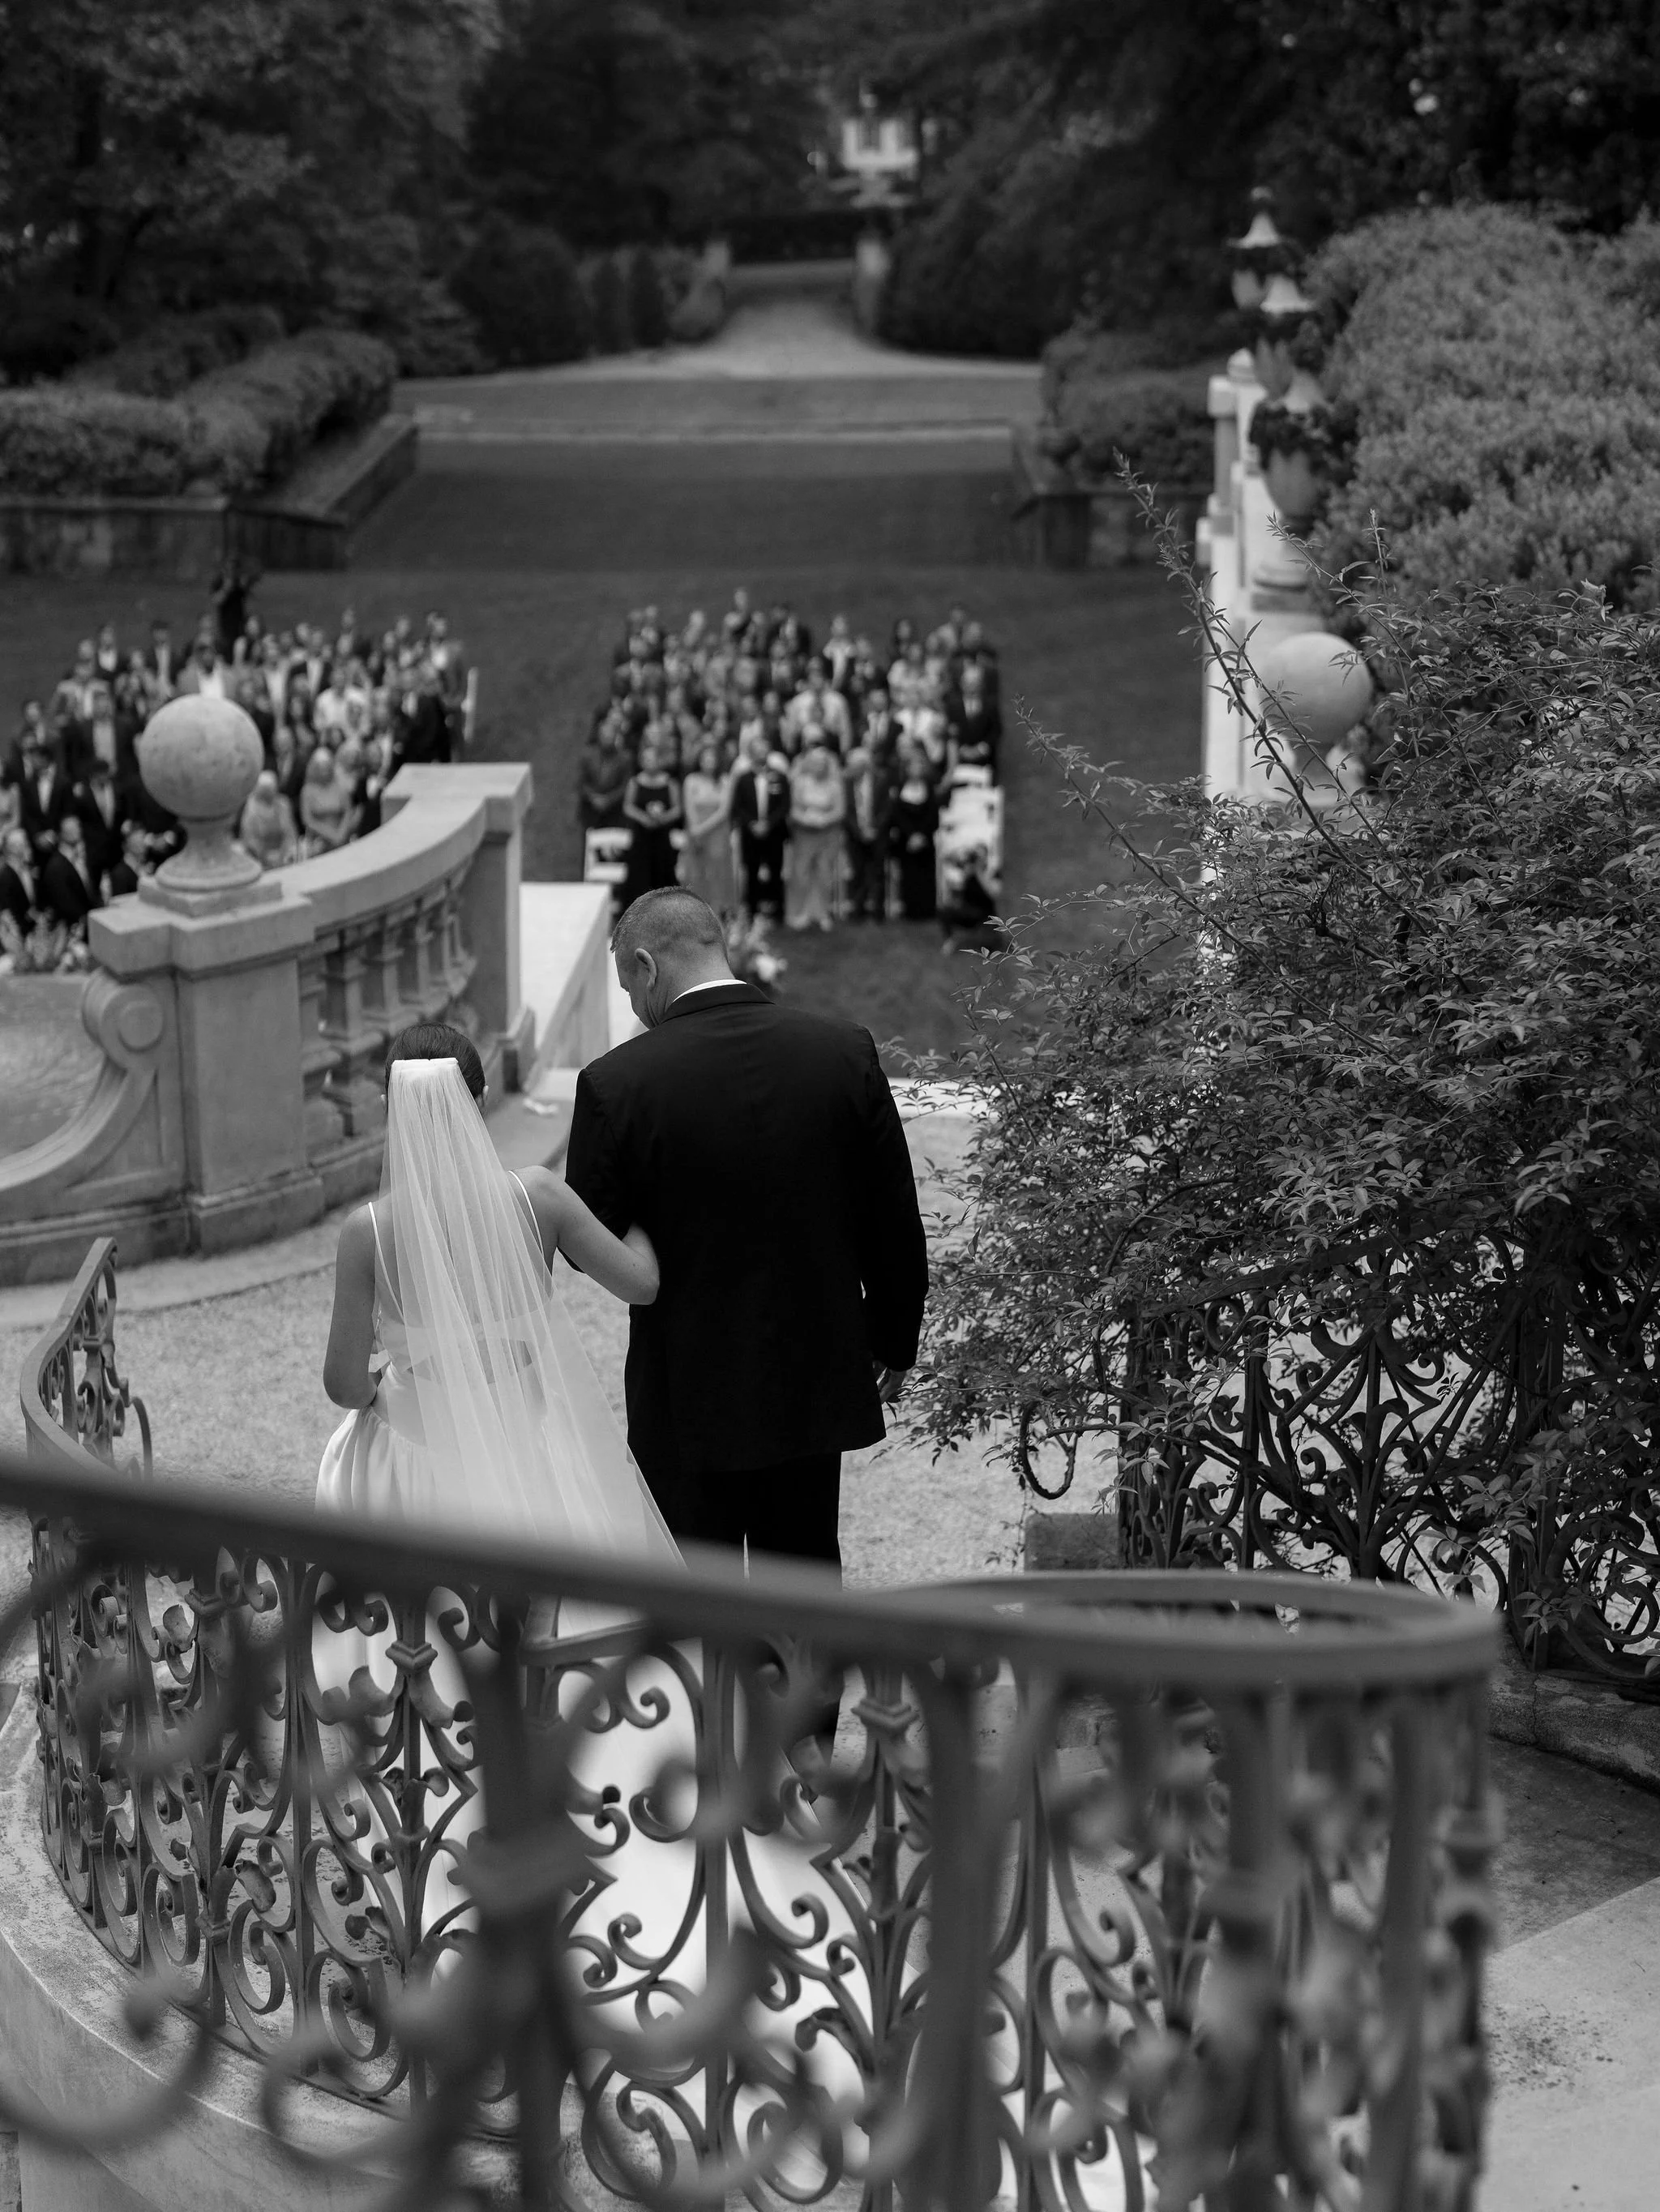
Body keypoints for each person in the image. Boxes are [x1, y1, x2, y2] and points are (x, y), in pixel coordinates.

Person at [564, 888, 928, 1579]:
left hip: (684, 1389)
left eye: (628, 987)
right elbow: (892, 1215)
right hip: (812, 1375)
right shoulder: (842, 1054)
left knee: (697, 1597)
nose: (635, 1007)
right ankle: (804, 1691)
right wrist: (891, 1338)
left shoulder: (617, 1084)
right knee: (803, 1583)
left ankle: (706, 1693)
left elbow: (593, 1239)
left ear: (646, 965)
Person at [319, 1021, 676, 1557]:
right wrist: (640, 1213)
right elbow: (641, 1285)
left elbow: (344, 1385)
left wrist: (387, 1392)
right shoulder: (539, 1195)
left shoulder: (368, 1230)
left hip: (420, 1461)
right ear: (480, 1101)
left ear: (393, 1107)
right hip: (527, 1445)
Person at [786, 735, 846, 932]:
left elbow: (839, 811)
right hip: (804, 834)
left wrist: (823, 820)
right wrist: (806, 820)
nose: (818, 765)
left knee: (823, 874)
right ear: (809, 764)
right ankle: (800, 913)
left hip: (827, 834)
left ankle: (822, 913)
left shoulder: (834, 785)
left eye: (822, 762)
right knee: (801, 874)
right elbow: (793, 809)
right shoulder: (800, 783)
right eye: (815, 762)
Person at [619, 736, 682, 911]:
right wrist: (643, 818)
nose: (650, 763)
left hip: (662, 841)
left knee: (663, 879)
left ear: (660, 761)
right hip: (641, 840)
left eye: (653, 759)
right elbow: (628, 806)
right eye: (646, 759)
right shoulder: (635, 782)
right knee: (638, 879)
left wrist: (663, 819)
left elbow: (678, 809)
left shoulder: (670, 783)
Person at [730, 742, 789, 921]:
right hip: (750, 834)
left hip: (774, 833)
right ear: (751, 754)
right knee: (751, 870)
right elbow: (738, 806)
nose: (761, 753)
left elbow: (785, 805)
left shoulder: (779, 776)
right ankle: (752, 910)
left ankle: (777, 911)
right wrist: (752, 824)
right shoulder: (743, 778)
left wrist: (769, 824)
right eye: (757, 750)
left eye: (764, 750)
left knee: (775, 870)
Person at [678, 739, 735, 914]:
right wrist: (695, 830)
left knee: (717, 872)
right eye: (704, 758)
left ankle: (717, 910)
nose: (708, 762)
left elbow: (724, 811)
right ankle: (692, 910)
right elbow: (689, 807)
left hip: (717, 832)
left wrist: (702, 829)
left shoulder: (724, 780)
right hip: (694, 832)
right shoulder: (691, 780)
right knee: (695, 871)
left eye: (711, 758)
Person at [843, 747, 894, 922]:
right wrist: (859, 831)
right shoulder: (847, 782)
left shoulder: (881, 779)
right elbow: (847, 812)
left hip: (877, 835)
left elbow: (887, 809)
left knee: (878, 873)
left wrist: (874, 829)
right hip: (856, 835)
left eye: (853, 765)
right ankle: (858, 911)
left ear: (864, 765)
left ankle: (879, 912)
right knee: (858, 873)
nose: (849, 769)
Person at [891, 744, 941, 921]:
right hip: (906, 842)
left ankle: (926, 910)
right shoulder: (900, 789)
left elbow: (933, 816)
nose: (917, 769)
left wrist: (921, 835)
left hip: (925, 841)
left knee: (925, 876)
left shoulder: (929, 789)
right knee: (909, 876)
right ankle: (910, 910)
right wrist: (910, 835)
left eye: (920, 765)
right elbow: (897, 816)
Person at [240, 770, 299, 871]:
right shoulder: (251, 807)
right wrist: (265, 856)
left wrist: (282, 853)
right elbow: (249, 839)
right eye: (266, 789)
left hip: (283, 856)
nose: (269, 791)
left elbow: (290, 832)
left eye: (271, 788)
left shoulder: (283, 804)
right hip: (260, 860)